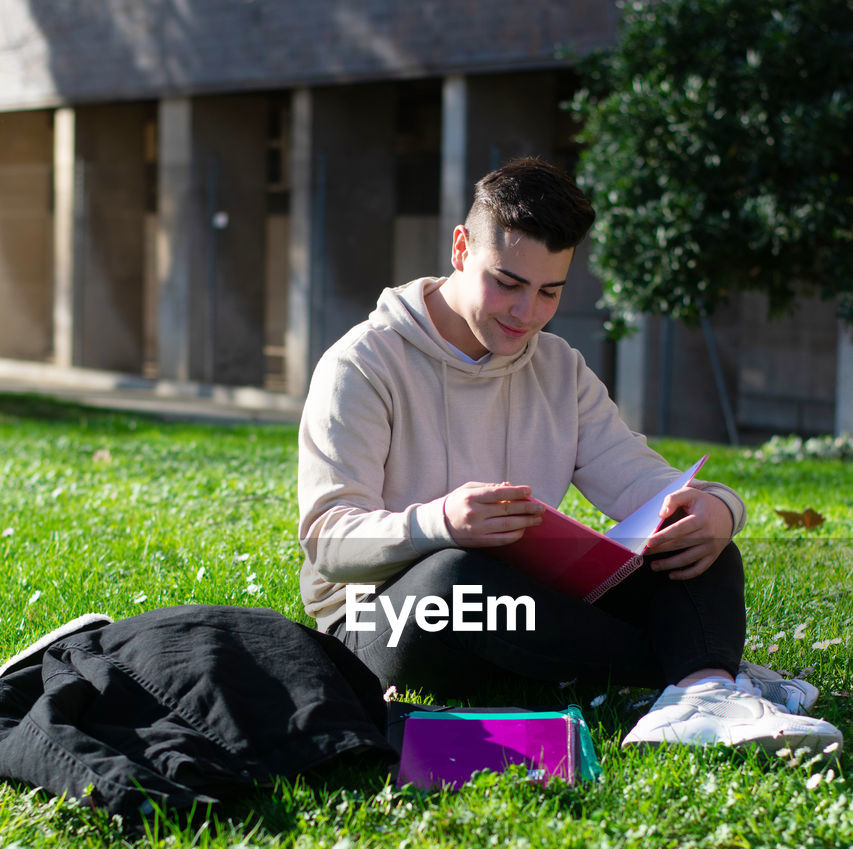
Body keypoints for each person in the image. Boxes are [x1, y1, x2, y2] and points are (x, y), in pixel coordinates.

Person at [298, 157, 842, 754]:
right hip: (385, 617)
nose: (525, 313)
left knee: (695, 542)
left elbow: (646, 485)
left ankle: (702, 691)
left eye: (549, 291)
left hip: (531, 605)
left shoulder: (559, 368)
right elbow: (329, 540)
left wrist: (718, 509)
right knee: (459, 577)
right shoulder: (362, 363)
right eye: (506, 283)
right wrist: (440, 523)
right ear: (460, 249)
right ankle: (697, 674)